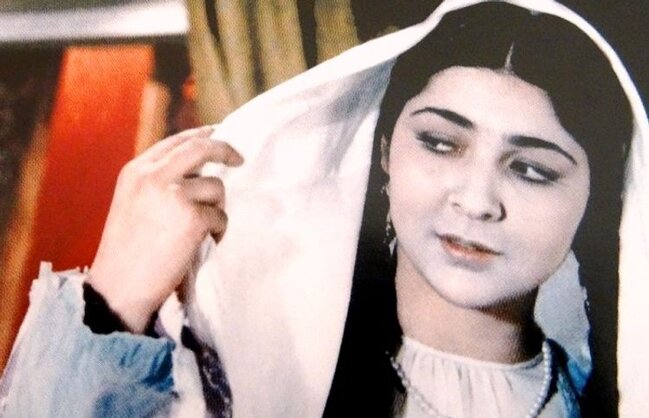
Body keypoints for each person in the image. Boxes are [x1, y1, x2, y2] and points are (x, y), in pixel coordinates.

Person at [1, 0, 646, 417]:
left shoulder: (615, 397)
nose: (476, 202)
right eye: (441, 143)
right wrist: (113, 299)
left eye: (532, 170)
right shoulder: (241, 366)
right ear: (385, 152)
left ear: (598, 199)